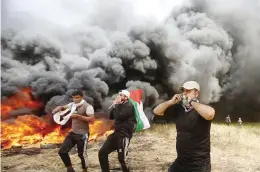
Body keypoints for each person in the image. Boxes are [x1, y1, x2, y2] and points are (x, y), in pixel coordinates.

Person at [153, 81, 215, 172]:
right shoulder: (178, 109)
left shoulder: (201, 109)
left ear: (196, 93)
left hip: (198, 164)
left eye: (188, 91)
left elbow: (210, 114)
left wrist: (192, 102)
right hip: (181, 161)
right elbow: (156, 111)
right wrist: (170, 102)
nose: (184, 93)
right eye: (183, 90)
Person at [52, 90, 95, 172]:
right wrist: (59, 107)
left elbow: (92, 119)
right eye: (73, 98)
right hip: (73, 133)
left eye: (77, 97)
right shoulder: (72, 105)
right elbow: (64, 107)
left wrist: (78, 117)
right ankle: (70, 169)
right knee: (62, 152)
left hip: (83, 135)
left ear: (82, 97)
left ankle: (85, 170)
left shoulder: (88, 106)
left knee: (82, 155)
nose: (75, 99)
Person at [98, 90, 136, 172]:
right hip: (116, 133)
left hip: (124, 135)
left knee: (122, 159)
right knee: (102, 153)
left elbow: (119, 116)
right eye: (119, 95)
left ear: (126, 97)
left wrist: (116, 105)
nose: (119, 96)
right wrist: (114, 106)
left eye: (121, 95)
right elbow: (111, 117)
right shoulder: (119, 105)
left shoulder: (129, 106)